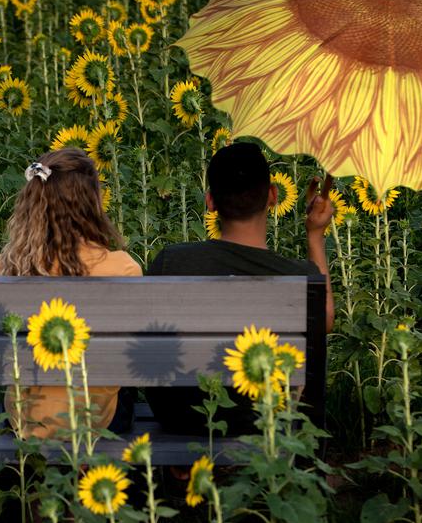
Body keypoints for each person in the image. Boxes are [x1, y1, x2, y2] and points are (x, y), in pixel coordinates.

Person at [143, 141, 335, 435]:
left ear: (210, 201)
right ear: (273, 196)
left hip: (184, 419)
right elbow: (325, 320)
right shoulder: (298, 277)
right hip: (264, 418)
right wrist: (315, 235)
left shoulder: (172, 261)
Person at [0, 147, 141, 440]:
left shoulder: (11, 267)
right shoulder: (123, 268)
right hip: (98, 418)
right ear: (92, 205)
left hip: (27, 416)